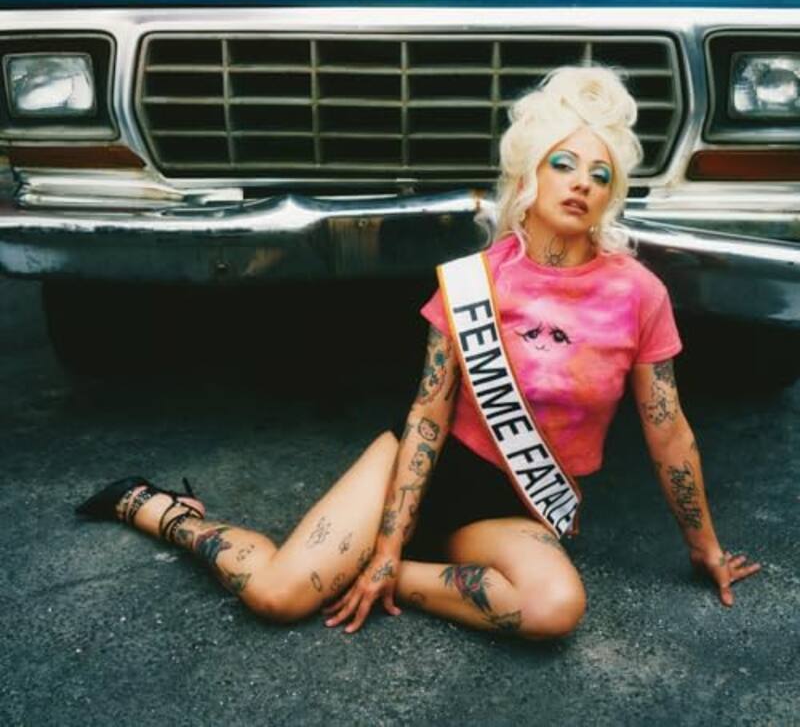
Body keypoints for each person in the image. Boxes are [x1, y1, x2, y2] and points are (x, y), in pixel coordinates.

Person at [76, 66, 761, 640]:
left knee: (553, 608)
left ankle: (386, 572)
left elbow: (668, 431)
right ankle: (163, 511)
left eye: (600, 173)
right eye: (564, 163)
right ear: (530, 174)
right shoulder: (473, 281)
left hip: (516, 506)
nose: (581, 182)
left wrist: (704, 548)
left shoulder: (637, 294)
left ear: (612, 195)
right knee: (279, 597)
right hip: (421, 469)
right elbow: (428, 417)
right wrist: (388, 537)